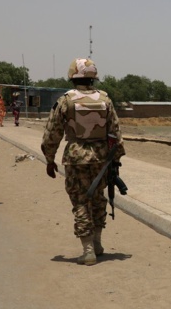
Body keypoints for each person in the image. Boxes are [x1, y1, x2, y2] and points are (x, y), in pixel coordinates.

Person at [41, 58, 125, 266]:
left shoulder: (66, 100)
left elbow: (52, 133)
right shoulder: (105, 100)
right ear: (94, 77)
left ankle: (88, 250)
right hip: (101, 158)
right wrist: (115, 159)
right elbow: (116, 132)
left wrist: (49, 159)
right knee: (97, 199)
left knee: (81, 201)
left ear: (72, 76)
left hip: (76, 157)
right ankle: (97, 243)